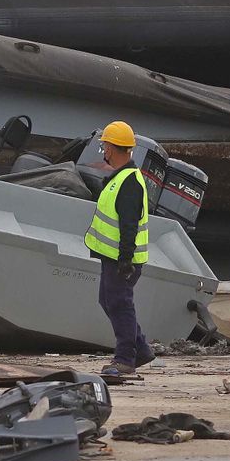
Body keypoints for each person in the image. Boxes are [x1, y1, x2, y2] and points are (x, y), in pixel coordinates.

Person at [84, 120, 153, 376]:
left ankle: (125, 359)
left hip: (122, 259)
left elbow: (129, 224)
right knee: (108, 300)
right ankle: (141, 349)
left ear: (112, 148)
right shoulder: (122, 178)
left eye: (104, 146)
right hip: (112, 256)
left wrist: (126, 259)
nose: (103, 151)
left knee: (120, 303)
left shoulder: (129, 182)